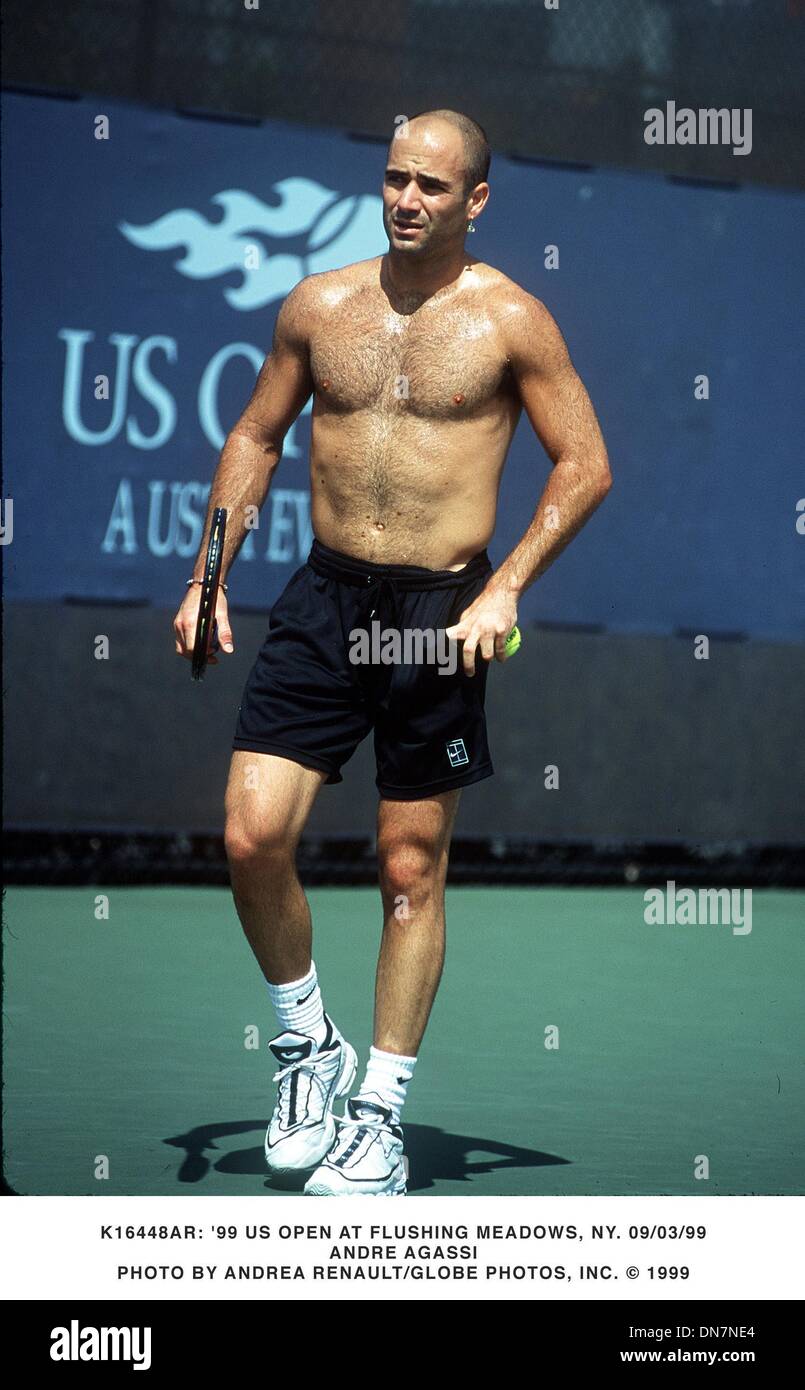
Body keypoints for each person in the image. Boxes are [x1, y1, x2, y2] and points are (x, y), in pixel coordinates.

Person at [174, 109, 611, 1196]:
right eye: (394, 179)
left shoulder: (513, 320)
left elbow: (585, 464)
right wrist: (207, 574)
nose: (406, 199)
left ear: (476, 201)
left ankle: (380, 1114)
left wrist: (504, 588)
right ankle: (305, 1046)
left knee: (409, 870)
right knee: (247, 835)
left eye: (431, 185)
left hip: (437, 614)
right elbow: (255, 435)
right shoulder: (320, 306)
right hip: (323, 602)